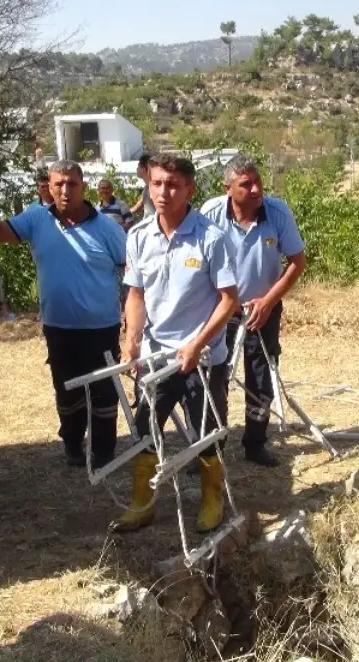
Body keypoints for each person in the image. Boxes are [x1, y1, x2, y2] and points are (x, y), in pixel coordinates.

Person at [113, 153, 240, 534]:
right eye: (156, 184)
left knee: (206, 430)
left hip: (201, 357)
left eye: (172, 185)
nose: (163, 192)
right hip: (156, 356)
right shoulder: (138, 236)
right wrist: (131, 343)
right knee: (145, 429)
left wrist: (197, 343)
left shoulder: (210, 237)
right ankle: (143, 503)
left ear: (189, 189)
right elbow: (135, 295)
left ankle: (212, 500)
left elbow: (229, 299)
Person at [0, 161, 127, 469]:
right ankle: (72, 446)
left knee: (104, 392)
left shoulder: (108, 229)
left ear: (83, 186)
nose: (65, 191)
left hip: (101, 328)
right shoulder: (37, 219)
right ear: (49, 188)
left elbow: (129, 271)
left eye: (72, 184)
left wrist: (128, 317)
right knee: (68, 392)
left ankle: (104, 451)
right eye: (58, 185)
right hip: (59, 328)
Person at [201, 154, 307, 468]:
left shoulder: (277, 212)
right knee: (214, 376)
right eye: (246, 184)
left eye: (257, 181)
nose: (256, 189)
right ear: (228, 187)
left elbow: (297, 263)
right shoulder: (210, 213)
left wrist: (269, 301)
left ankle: (255, 443)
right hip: (221, 312)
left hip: (263, 311)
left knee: (260, 377)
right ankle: (212, 445)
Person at [127, 153, 157, 222]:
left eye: (138, 166)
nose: (136, 169)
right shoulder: (147, 188)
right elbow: (138, 206)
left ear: (143, 169)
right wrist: (123, 214)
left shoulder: (154, 189)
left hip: (154, 226)